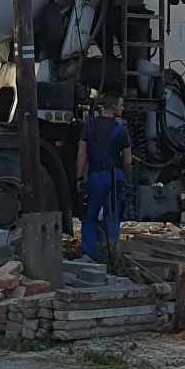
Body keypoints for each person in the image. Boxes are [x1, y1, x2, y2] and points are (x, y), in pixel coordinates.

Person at [76, 94, 131, 262]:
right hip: (115, 177)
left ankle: (89, 254)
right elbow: (128, 160)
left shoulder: (89, 126)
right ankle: (113, 255)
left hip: (96, 176)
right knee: (112, 216)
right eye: (121, 105)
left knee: (90, 216)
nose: (123, 108)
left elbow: (82, 154)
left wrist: (79, 178)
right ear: (113, 107)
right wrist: (127, 178)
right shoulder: (121, 129)